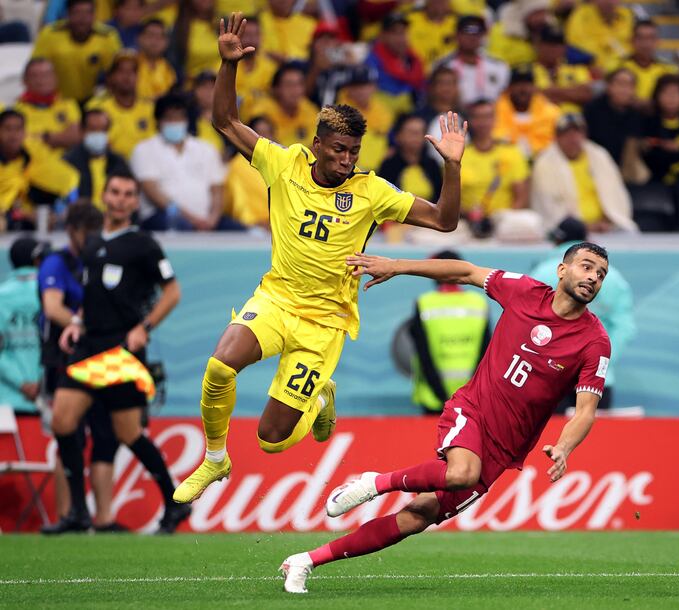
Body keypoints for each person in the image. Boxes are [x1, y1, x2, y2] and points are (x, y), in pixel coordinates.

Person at [171, 13, 467, 505]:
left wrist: (452, 166)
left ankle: (320, 395)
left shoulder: (371, 191)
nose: (346, 160)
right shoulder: (284, 164)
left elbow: (444, 221)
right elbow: (225, 121)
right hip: (276, 299)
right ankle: (216, 459)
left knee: (272, 438)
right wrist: (229, 67)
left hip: (325, 323)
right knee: (220, 367)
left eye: (353, 151)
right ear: (316, 146)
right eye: (338, 151)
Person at [281, 242, 612, 593]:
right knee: (460, 473)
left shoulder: (595, 341)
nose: (592, 277)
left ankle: (305, 560)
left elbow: (586, 411)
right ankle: (374, 483)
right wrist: (395, 265)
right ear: (563, 270)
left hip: (504, 451)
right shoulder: (525, 291)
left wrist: (564, 447)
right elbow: (465, 271)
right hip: (472, 410)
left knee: (416, 517)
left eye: (600, 274)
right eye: (586, 267)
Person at [48, 170, 188, 534]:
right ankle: (78, 511)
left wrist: (144, 328)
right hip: (89, 344)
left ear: (134, 202)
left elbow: (172, 293)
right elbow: (93, 297)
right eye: (116, 192)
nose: (122, 199)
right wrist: (76, 323)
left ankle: (175, 504)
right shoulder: (92, 243)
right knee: (62, 420)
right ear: (105, 197)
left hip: (120, 351)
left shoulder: (143, 244)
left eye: (129, 194)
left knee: (128, 432)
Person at [37, 203, 126, 533]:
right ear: (72, 231)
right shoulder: (57, 263)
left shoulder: (99, 259)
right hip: (63, 361)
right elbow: (52, 307)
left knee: (105, 437)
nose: (90, 238)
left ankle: (103, 518)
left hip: (99, 359)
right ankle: (69, 513)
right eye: (85, 232)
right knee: (68, 436)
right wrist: (85, 324)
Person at [530, 218, 634, 411]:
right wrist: (599, 364)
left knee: (545, 439)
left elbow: (529, 325)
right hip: (596, 381)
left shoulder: (543, 272)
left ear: (557, 241)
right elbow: (625, 328)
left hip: (547, 379)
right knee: (594, 440)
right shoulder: (613, 278)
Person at [131, 93, 237, 231]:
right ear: (158, 121)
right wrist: (193, 220)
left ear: (187, 119)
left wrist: (213, 218)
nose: (175, 122)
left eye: (179, 117)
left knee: (247, 234)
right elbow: (152, 191)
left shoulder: (206, 148)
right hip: (163, 217)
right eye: (169, 118)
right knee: (182, 228)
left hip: (207, 219)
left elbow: (217, 189)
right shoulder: (144, 149)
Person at [409, 249, 491, 414]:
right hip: (471, 396)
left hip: (433, 397)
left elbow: (423, 352)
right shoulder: (478, 303)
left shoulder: (425, 303)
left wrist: (441, 394)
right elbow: (487, 352)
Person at [532, 113, 637, 233]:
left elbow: (616, 195)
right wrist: (585, 227)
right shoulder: (544, 163)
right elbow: (549, 208)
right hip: (567, 232)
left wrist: (607, 221)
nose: (573, 138)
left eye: (577, 132)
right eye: (566, 133)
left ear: (584, 134)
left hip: (607, 227)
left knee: (629, 234)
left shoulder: (599, 155)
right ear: (557, 137)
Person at [0, 109, 78, 232]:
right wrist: (23, 215)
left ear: (24, 132)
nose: (13, 135)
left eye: (18, 129)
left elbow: (65, 181)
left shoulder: (35, 157)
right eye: (8, 129)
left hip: (34, 223)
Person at [31, 0, 122, 103]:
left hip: (95, 101)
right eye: (77, 13)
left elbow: (118, 72)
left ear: (94, 15)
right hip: (57, 101)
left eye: (88, 13)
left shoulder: (107, 36)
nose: (82, 19)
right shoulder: (50, 33)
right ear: (68, 14)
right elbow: (35, 69)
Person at [461, 100, 530, 222]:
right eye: (477, 117)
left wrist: (505, 221)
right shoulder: (459, 155)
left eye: (487, 117)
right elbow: (450, 199)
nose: (482, 122)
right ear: (470, 121)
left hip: (505, 221)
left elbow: (521, 197)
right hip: (466, 221)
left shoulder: (512, 152)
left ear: (495, 120)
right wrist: (468, 214)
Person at [0, 237, 46, 414]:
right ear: (38, 260)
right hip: (51, 400)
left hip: (7, 401)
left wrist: (21, 383)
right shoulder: (53, 294)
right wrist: (39, 383)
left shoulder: (2, 295)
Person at [85, 51, 156, 159]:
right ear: (111, 76)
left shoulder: (150, 108)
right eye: (121, 71)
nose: (127, 76)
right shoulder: (96, 107)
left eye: (132, 71)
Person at [240, 62, 320, 148]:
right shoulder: (262, 111)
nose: (295, 90)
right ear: (276, 89)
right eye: (289, 85)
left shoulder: (309, 108)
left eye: (299, 84)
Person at [64, 109, 131, 210]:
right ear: (82, 132)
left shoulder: (119, 162)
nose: (98, 134)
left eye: (103, 130)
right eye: (93, 129)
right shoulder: (68, 162)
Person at [438, 15, 509, 107]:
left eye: (477, 32)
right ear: (457, 35)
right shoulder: (444, 66)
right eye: (467, 31)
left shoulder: (499, 66)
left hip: (489, 117)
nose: (472, 37)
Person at [15, 58, 82, 155]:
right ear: (25, 81)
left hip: (68, 164)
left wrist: (44, 138)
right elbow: (21, 142)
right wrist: (61, 137)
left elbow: (75, 137)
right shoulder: (17, 111)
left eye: (46, 75)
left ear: (55, 78)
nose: (41, 80)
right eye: (34, 76)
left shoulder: (69, 104)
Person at [494, 65, 560, 161]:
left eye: (527, 83)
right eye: (518, 84)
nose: (523, 89)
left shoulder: (552, 113)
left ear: (534, 87)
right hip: (505, 165)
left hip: (544, 162)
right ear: (509, 88)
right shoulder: (494, 112)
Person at [365, 14, 426, 114]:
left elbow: (422, 85)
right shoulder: (372, 61)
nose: (400, 38)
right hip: (386, 115)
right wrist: (410, 93)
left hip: (413, 115)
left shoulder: (414, 59)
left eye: (403, 32)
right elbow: (382, 90)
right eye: (394, 33)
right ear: (382, 36)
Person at [336, 65, 393, 172]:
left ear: (374, 87)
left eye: (365, 85)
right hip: (349, 171)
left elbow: (391, 142)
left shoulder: (383, 111)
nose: (361, 90)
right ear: (347, 88)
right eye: (356, 86)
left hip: (379, 172)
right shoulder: (339, 112)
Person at [583, 67, 642, 166]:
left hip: (626, 169)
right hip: (595, 164)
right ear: (608, 86)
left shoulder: (637, 113)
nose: (624, 89)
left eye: (629, 85)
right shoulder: (592, 109)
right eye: (620, 84)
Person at [223, 115, 274, 230]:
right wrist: (256, 223)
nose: (265, 139)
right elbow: (239, 203)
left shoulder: (283, 162)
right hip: (252, 228)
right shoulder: (237, 166)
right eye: (260, 134)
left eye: (268, 133)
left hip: (281, 224)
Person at [378, 114, 443, 203]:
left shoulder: (432, 164)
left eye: (421, 132)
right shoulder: (389, 165)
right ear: (398, 136)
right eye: (411, 132)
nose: (416, 136)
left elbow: (441, 198)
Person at [617, 20, 679, 108]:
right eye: (641, 38)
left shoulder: (669, 70)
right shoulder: (618, 67)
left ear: (658, 41)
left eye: (651, 38)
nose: (646, 44)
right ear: (632, 41)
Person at [533, 25, 593, 114]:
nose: (554, 49)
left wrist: (549, 92)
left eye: (559, 44)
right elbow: (532, 96)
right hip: (541, 122)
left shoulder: (577, 69)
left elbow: (586, 94)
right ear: (538, 45)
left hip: (573, 123)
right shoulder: (529, 71)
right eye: (550, 44)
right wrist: (571, 92)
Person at [565, 0, 634, 73]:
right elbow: (579, 47)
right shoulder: (581, 16)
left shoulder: (627, 16)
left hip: (624, 69)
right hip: (590, 69)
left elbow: (631, 46)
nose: (608, 2)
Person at [487, 0, 552, 67]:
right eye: (537, 13)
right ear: (523, 14)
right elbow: (496, 64)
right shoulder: (501, 31)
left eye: (544, 13)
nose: (541, 18)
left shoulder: (547, 32)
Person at [407, 0, 457, 71]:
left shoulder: (457, 25)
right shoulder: (410, 20)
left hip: (447, 77)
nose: (438, 4)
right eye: (435, 1)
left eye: (442, 1)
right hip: (416, 74)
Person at [136, 18, 177, 101]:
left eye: (159, 37)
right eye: (150, 36)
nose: (154, 41)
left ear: (166, 42)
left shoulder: (170, 68)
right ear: (140, 38)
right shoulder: (130, 63)